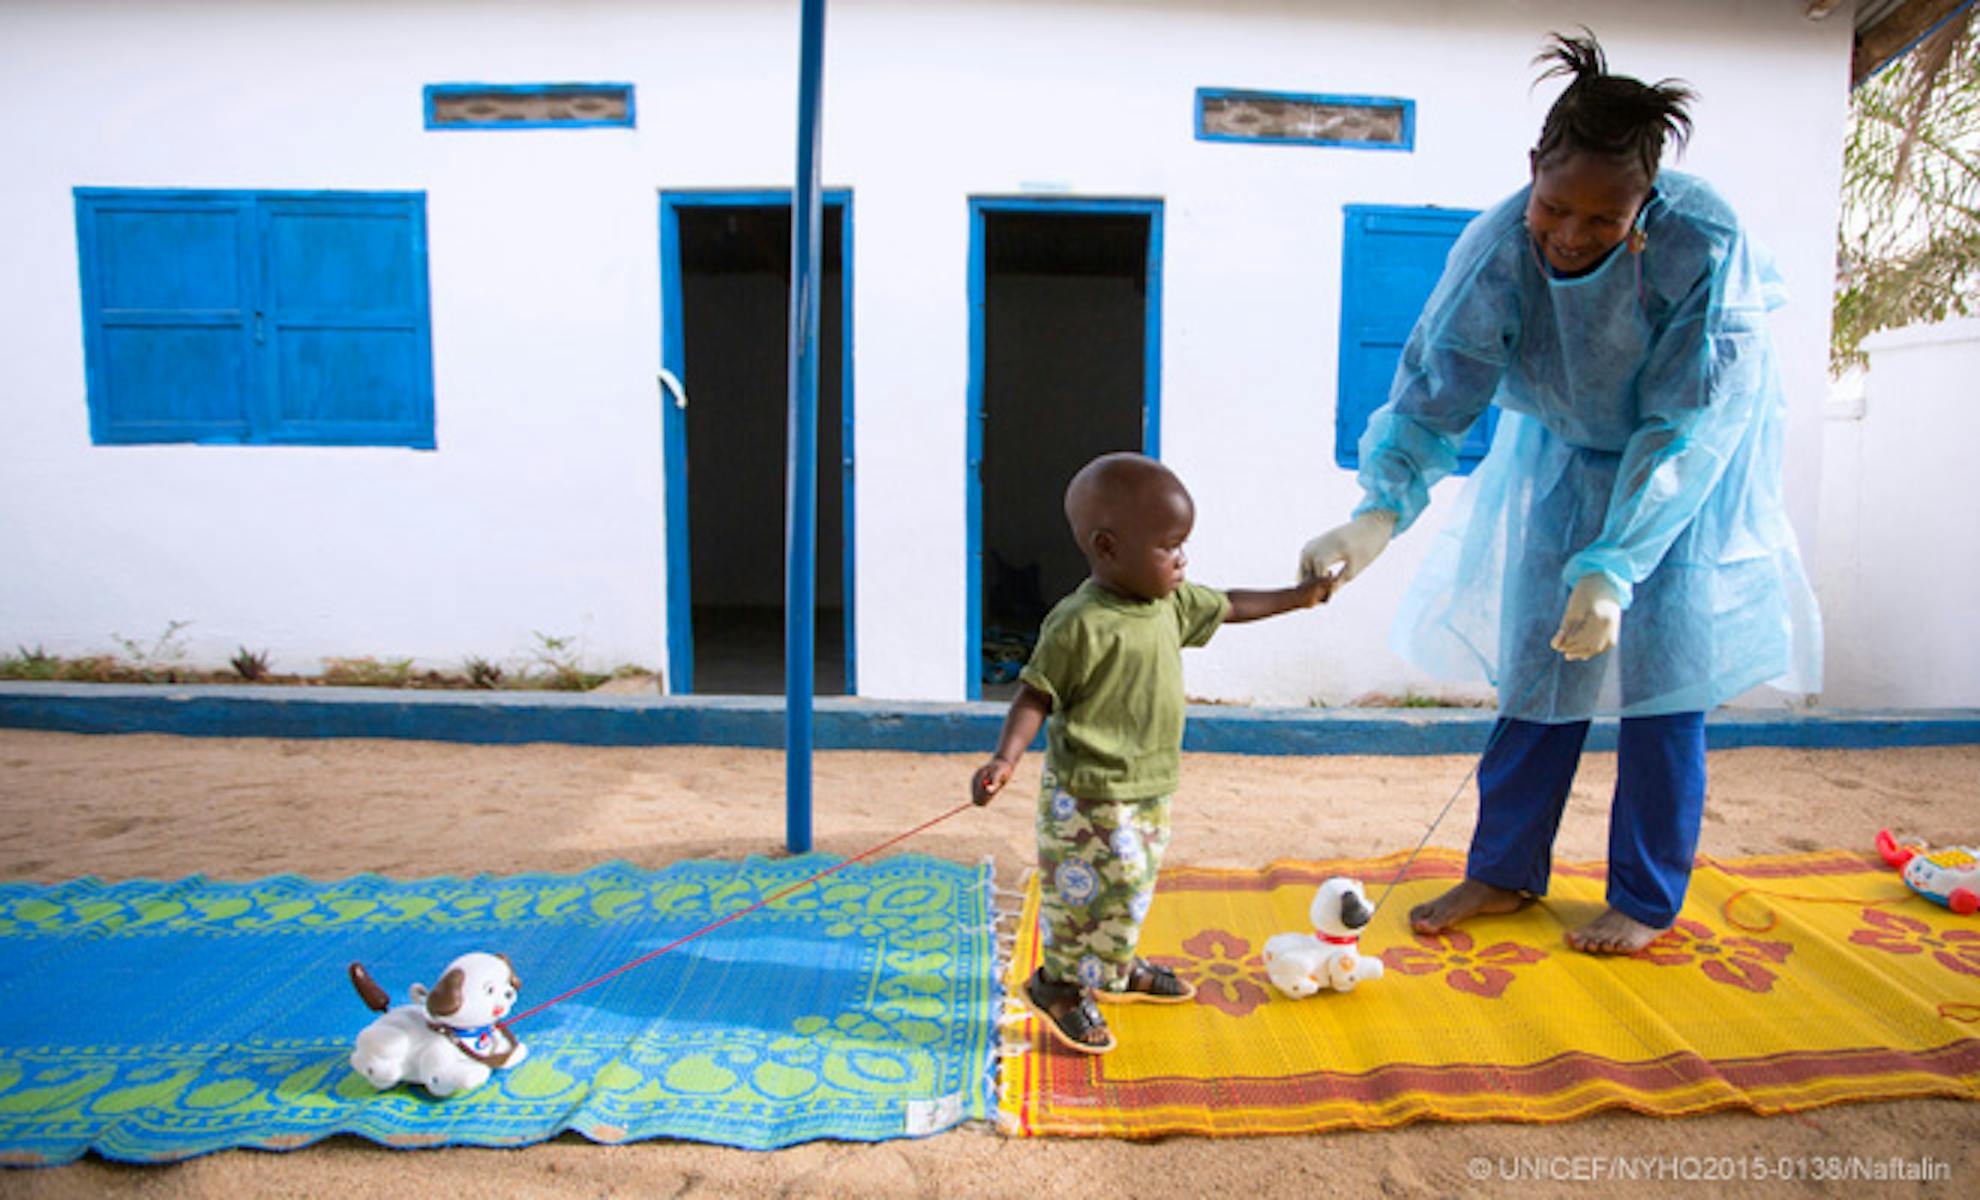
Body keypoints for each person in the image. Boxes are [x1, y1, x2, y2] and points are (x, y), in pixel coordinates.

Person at [1299, 32, 1820, 955]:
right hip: (1570, 455)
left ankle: (1647, 898)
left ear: (1648, 204)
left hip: (1691, 471)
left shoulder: (1706, 244)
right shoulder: (1497, 249)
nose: (1572, 236)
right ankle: (1503, 870)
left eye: (1604, 220)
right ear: (1532, 168)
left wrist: (1617, 568)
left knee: (1666, 684)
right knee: (1542, 666)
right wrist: (1378, 512)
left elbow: (1690, 424)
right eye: (1554, 207)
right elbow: (1437, 387)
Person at [974, 451, 1330, 1054]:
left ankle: (1114, 969)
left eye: (1183, 544)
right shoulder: (1078, 623)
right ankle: (1058, 984)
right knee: (1080, 894)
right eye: (1170, 547)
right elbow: (1034, 695)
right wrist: (1005, 760)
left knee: (1131, 885)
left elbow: (1235, 604)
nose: (1183, 559)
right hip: (1087, 793)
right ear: (1108, 548)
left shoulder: (1171, 602)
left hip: (1150, 786)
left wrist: (1299, 597)